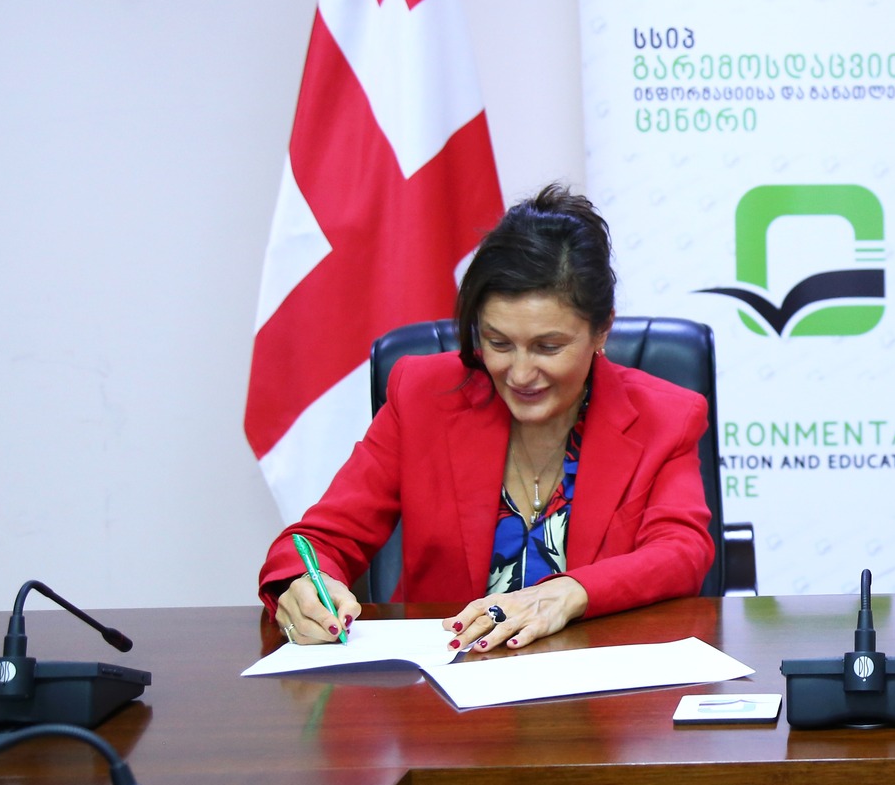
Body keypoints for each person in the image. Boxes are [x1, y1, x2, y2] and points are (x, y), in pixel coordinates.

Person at [258, 185, 714, 651]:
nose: (520, 373)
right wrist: (304, 585)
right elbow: (318, 540)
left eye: (548, 347)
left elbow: (681, 551)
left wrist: (570, 592)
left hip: (598, 681)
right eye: (498, 343)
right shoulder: (421, 396)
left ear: (603, 330)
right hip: (447, 680)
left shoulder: (666, 416)